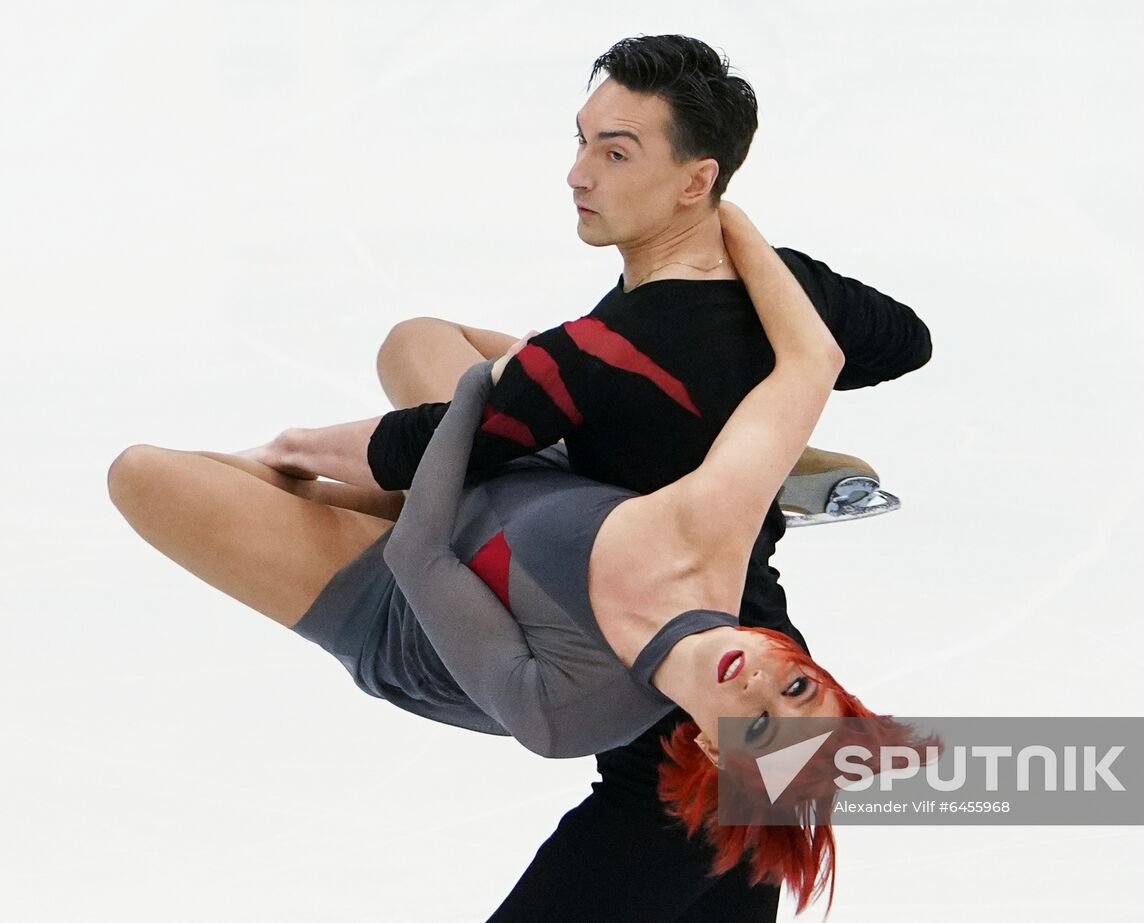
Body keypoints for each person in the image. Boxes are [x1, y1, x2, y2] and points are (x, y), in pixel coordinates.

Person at [178, 36, 932, 920]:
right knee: (420, 342)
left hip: (680, 740)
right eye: (582, 141)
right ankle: (759, 457)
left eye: (615, 152)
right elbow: (905, 339)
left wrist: (287, 451)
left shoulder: (596, 358)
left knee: (456, 398)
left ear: (696, 177)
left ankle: (750, 463)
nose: (578, 173)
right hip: (750, 679)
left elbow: (424, 451)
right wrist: (748, 248)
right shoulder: (773, 295)